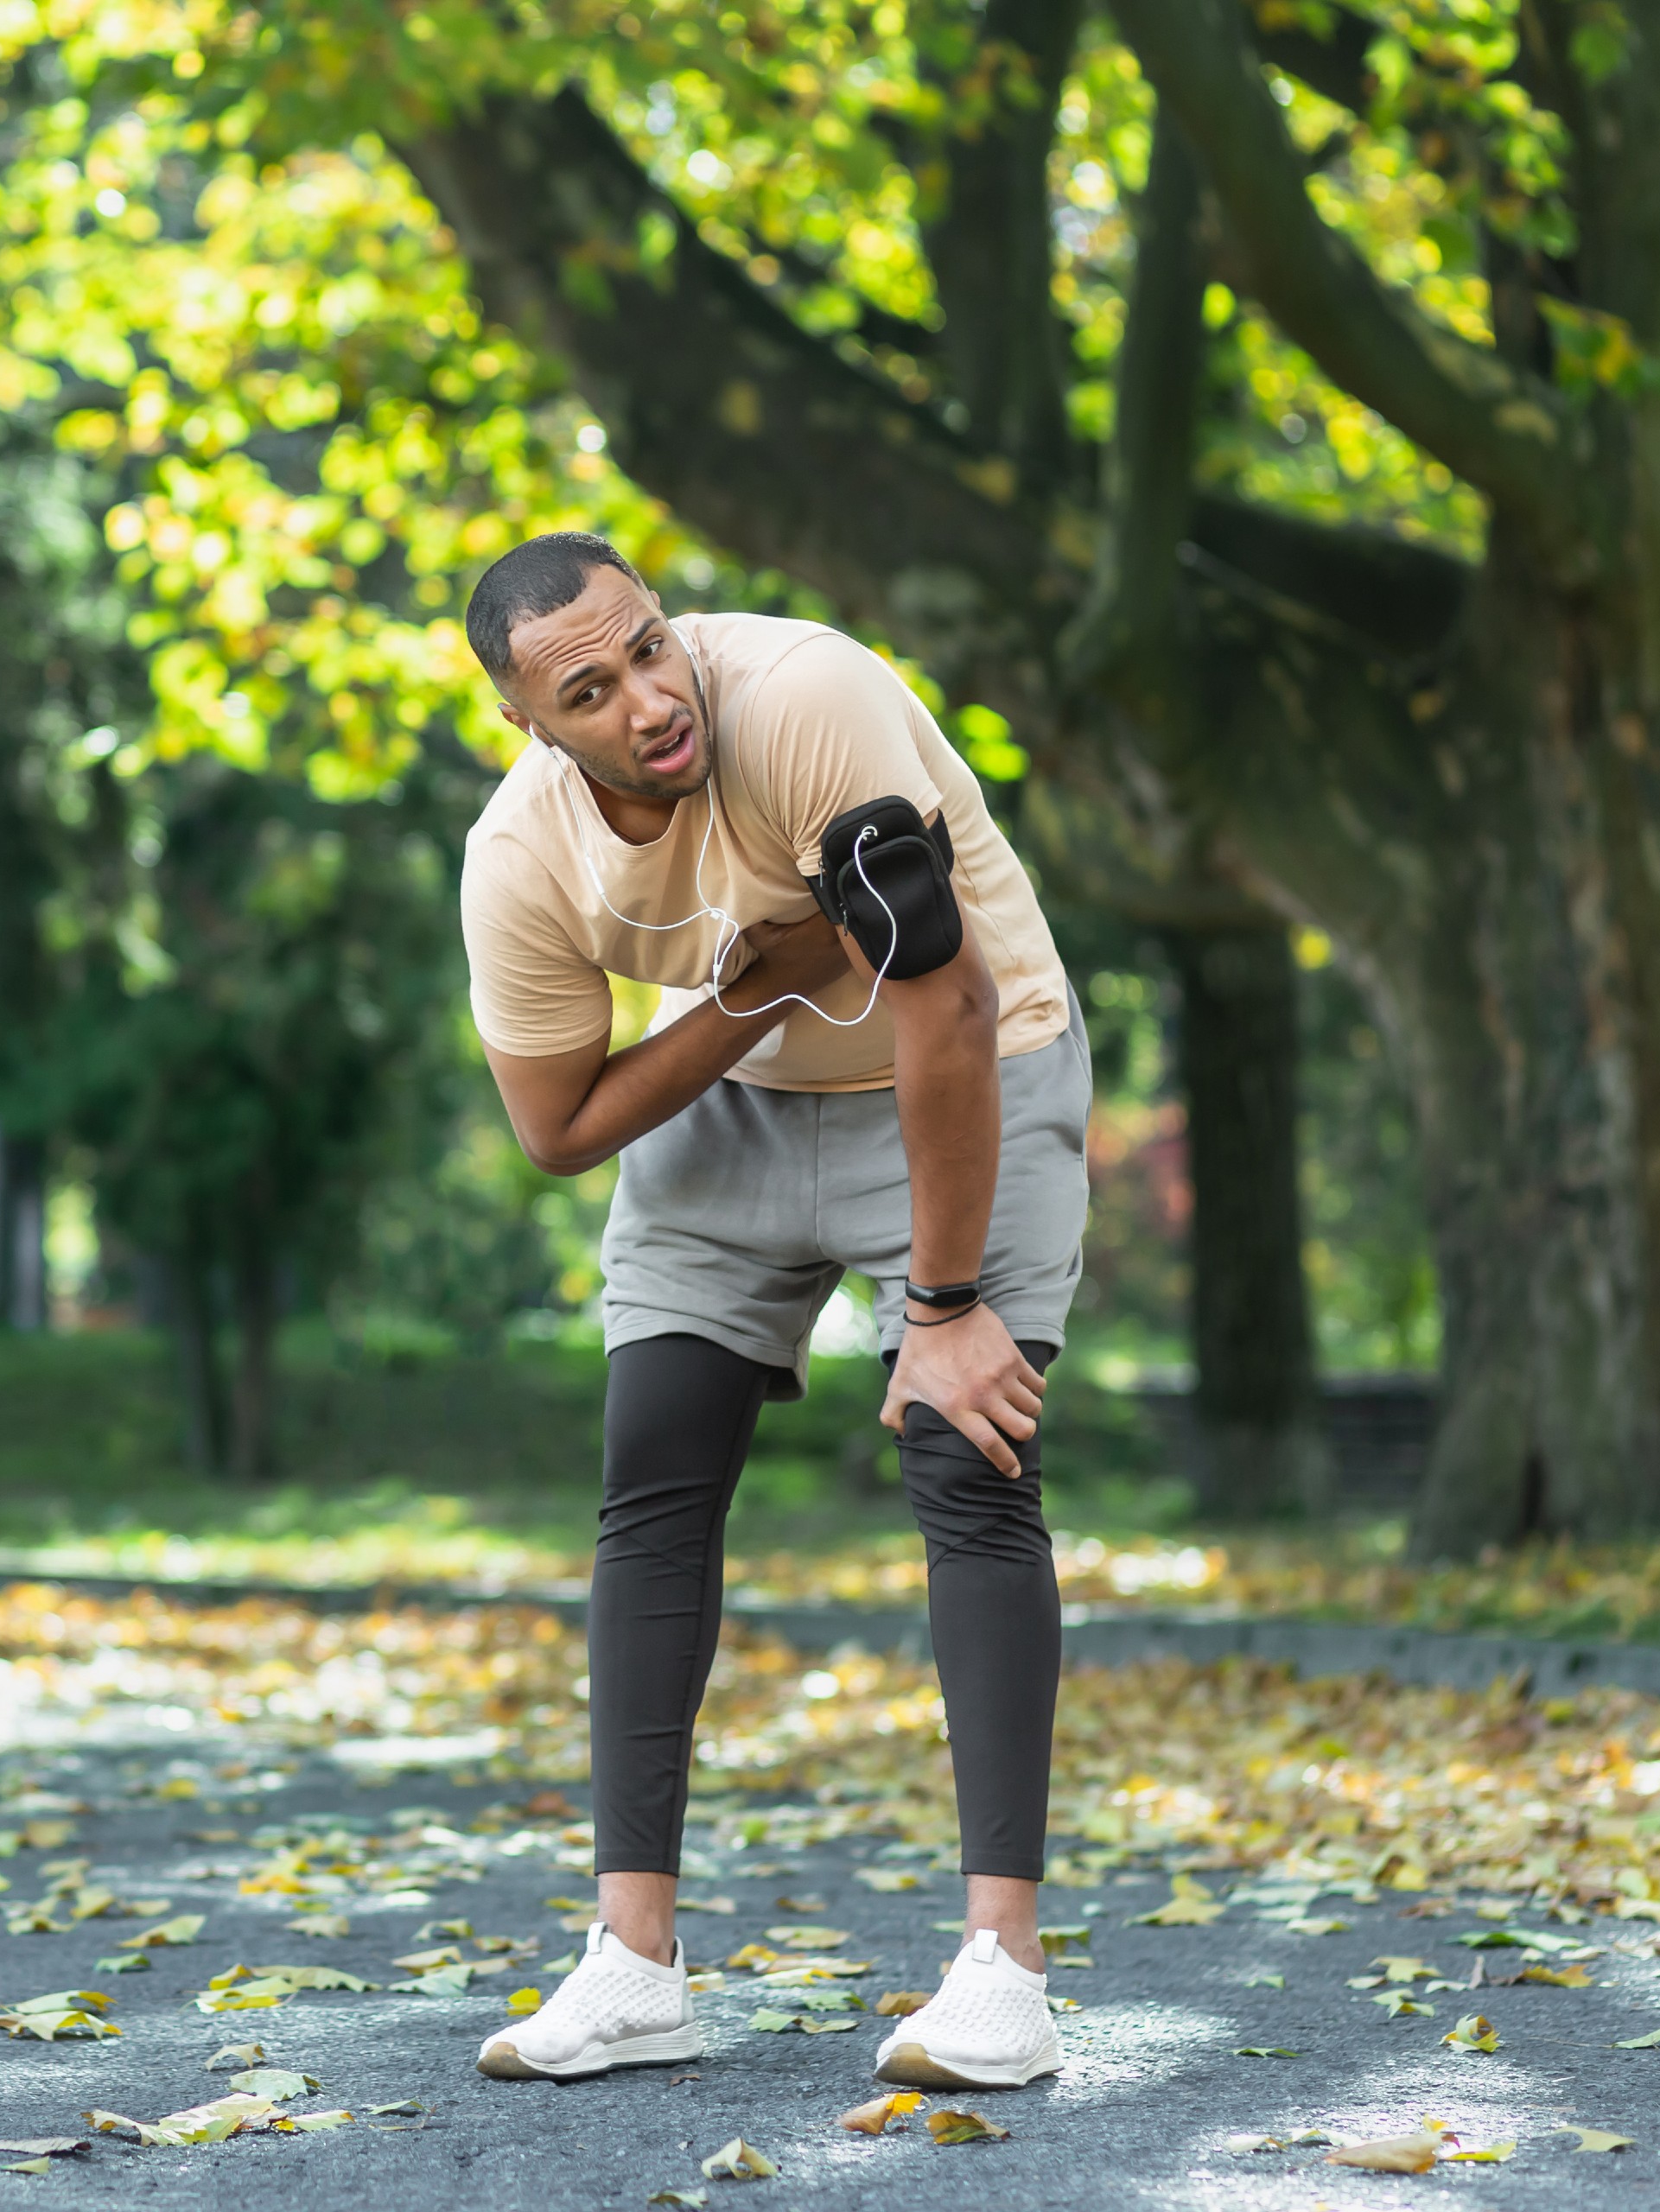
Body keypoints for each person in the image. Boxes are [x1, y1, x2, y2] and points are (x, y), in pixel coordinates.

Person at [455, 534, 1085, 2094]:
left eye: (652, 648)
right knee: (651, 1474)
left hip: (961, 1078)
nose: (653, 701)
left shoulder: (810, 700)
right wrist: (747, 998)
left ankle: (1004, 1972)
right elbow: (559, 1129)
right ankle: (634, 1964)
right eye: (591, 691)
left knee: (966, 1457)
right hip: (737, 1092)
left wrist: (938, 1307)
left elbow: (942, 998)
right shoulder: (519, 857)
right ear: (535, 726)